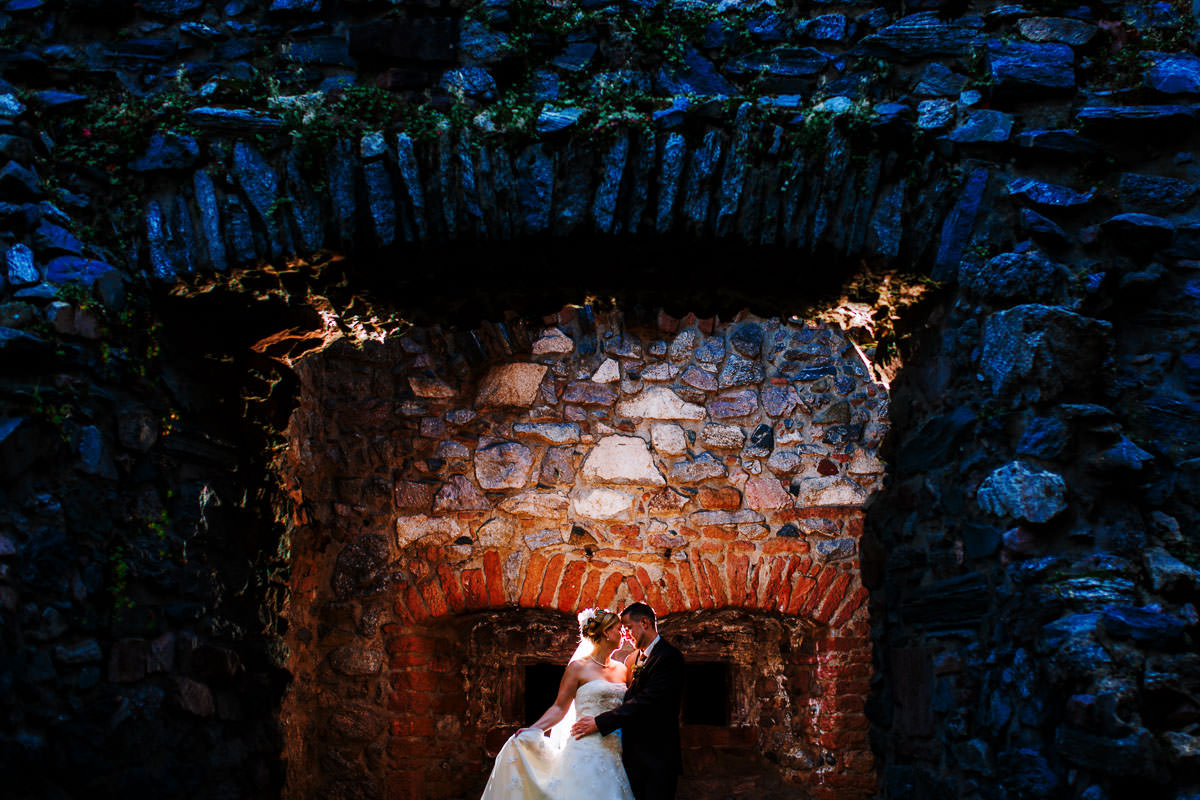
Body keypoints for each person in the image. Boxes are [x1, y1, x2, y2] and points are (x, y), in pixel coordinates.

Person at [480, 608, 635, 800]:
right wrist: (534, 729)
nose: (623, 635)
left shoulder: (623, 669)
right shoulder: (578, 668)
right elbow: (559, 707)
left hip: (615, 751)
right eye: (619, 629)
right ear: (606, 632)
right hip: (585, 748)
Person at [570, 602, 684, 800]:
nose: (626, 634)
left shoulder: (668, 657)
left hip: (657, 759)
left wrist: (599, 722)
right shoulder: (633, 660)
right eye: (622, 629)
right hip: (630, 759)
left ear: (645, 623)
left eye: (629, 627)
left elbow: (647, 702)